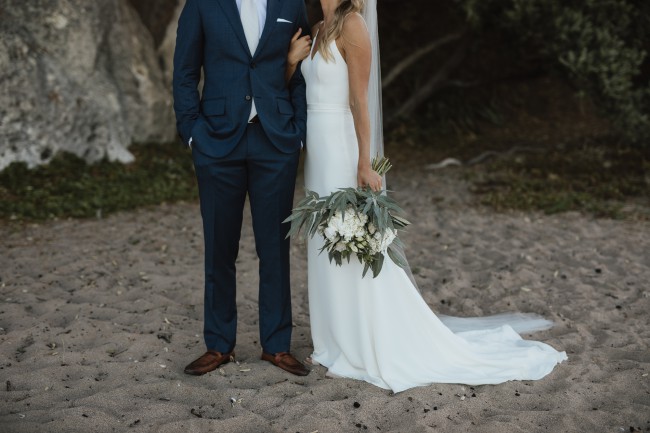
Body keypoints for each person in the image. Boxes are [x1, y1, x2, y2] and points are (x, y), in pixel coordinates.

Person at [287, 0, 567, 393]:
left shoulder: (352, 25)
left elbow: (360, 101)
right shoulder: (317, 29)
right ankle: (332, 341)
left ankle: (359, 341)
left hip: (341, 145)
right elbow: (298, 89)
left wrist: (364, 162)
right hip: (316, 150)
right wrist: (290, 62)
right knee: (324, 239)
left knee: (349, 238)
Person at [173, 0, 312, 377]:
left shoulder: (291, 3)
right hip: (216, 141)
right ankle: (219, 345)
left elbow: (302, 71)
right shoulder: (202, 4)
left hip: (275, 141)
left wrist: (298, 132)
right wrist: (192, 133)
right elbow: (185, 72)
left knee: (275, 247)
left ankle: (277, 346)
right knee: (219, 247)